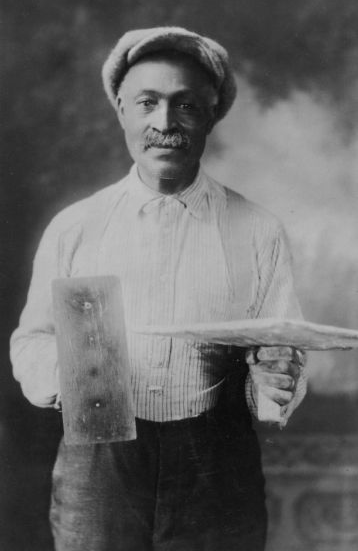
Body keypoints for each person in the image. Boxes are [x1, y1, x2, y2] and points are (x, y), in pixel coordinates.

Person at [10, 27, 307, 551]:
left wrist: (274, 378)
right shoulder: (76, 226)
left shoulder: (259, 230)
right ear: (121, 108)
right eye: (147, 103)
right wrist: (77, 377)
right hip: (99, 466)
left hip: (216, 464)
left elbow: (284, 354)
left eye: (185, 105)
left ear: (211, 115)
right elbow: (31, 340)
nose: (164, 124)